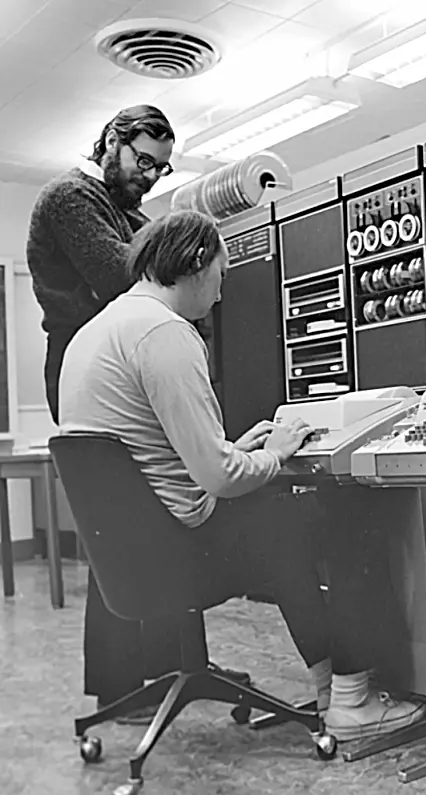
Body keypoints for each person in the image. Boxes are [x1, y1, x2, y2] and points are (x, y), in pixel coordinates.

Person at [58, 209, 426, 741]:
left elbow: (149, 455)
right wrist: (274, 453)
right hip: (185, 550)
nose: (220, 294)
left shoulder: (97, 332)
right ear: (195, 262)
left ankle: (331, 692)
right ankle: (353, 701)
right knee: (348, 510)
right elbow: (222, 480)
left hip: (138, 556)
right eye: (221, 276)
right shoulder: (165, 333)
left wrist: (235, 449)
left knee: (281, 522)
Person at [25, 105, 247, 722]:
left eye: (161, 166)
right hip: (91, 368)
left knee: (169, 506)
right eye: (141, 159)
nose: (149, 174)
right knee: (119, 522)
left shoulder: (130, 213)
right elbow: (122, 275)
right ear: (111, 142)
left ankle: (182, 666)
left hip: (130, 361)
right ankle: (120, 686)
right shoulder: (70, 197)